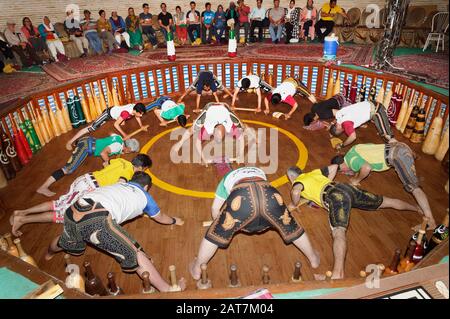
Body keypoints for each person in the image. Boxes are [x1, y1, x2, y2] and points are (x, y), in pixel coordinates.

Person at [45, 171, 186, 293]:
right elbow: (161, 218)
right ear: (146, 187)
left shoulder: (118, 185)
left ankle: (49, 253)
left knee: (65, 239)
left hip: (74, 209)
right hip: (96, 218)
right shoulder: (145, 197)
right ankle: (169, 290)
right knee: (134, 253)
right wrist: (174, 220)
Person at [287, 165, 421, 280]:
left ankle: (337, 274)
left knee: (339, 233)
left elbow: (296, 190)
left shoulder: (297, 181)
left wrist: (294, 203)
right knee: (385, 201)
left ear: (292, 178)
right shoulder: (313, 173)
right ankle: (417, 208)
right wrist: (327, 182)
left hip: (336, 198)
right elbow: (334, 167)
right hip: (345, 188)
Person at [190, 166, 320, 280]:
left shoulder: (225, 179)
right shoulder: (260, 172)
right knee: (292, 227)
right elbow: (260, 197)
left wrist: (219, 224)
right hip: (269, 194)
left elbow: (214, 209)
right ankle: (313, 258)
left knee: (214, 235)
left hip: (242, 195)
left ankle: (197, 268)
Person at [11, 154, 152, 236]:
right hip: (89, 188)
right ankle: (23, 220)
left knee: (58, 203)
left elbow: (105, 163)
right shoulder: (129, 172)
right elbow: (119, 184)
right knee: (63, 215)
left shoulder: (121, 160)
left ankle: (21, 212)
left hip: (86, 179)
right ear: (142, 167)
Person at [331, 142, 437, 230]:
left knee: (414, 188)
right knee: (413, 184)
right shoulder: (353, 149)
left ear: (341, 168)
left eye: (342, 172)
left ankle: (431, 221)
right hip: (399, 146)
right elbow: (372, 152)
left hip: (396, 156)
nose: (345, 173)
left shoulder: (351, 161)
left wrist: (356, 179)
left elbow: (366, 168)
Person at [37, 134, 140, 197]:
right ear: (128, 149)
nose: (128, 153)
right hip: (86, 147)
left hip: (87, 140)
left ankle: (75, 146)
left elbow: (110, 136)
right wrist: (108, 164)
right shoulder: (117, 147)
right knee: (68, 169)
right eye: (130, 151)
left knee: (74, 160)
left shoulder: (118, 138)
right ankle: (43, 187)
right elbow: (103, 153)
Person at [172, 102, 253, 165]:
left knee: (242, 127)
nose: (218, 140)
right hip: (209, 108)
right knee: (192, 129)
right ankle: (180, 143)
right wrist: (203, 159)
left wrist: (240, 156)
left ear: (226, 131)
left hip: (225, 108)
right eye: (218, 138)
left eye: (220, 138)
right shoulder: (207, 126)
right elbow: (197, 143)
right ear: (212, 133)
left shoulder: (230, 125)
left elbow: (241, 138)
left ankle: (252, 133)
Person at [65, 103, 147, 151]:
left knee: (122, 123)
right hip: (108, 114)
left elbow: (137, 117)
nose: (141, 115)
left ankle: (121, 119)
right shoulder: (126, 113)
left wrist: (141, 126)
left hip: (117, 113)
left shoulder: (135, 107)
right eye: (140, 113)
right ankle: (70, 141)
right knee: (92, 128)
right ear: (135, 111)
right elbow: (115, 125)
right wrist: (124, 134)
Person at [329, 100, 396, 150]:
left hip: (377, 111)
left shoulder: (346, 124)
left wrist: (342, 145)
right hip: (372, 103)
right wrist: (331, 126)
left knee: (387, 137)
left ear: (338, 128)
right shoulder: (338, 114)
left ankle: (399, 151)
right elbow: (337, 115)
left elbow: (353, 137)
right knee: (384, 132)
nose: (344, 130)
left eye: (341, 131)